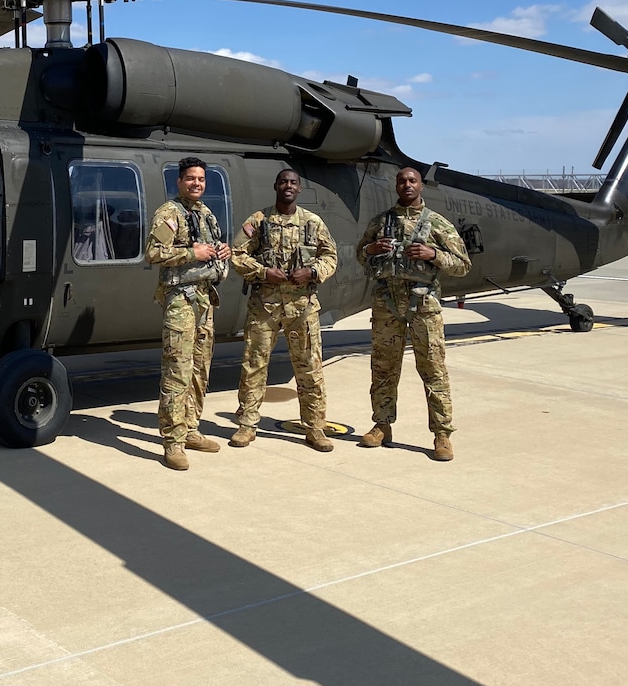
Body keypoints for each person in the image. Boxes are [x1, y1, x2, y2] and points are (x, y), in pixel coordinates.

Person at [357, 166, 471, 461]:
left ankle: (442, 434)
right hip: (387, 305)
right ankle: (382, 425)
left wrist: (433, 255)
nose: (407, 185)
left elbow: (462, 264)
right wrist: (372, 248)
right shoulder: (381, 222)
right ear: (396, 186)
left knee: (433, 370)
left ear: (421, 186)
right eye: (402, 181)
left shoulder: (436, 224)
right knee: (383, 368)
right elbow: (360, 255)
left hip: (423, 307)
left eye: (412, 180)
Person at [229, 168, 339, 452]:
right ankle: (247, 424)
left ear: (299, 189)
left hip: (302, 309)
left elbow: (330, 257)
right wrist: (263, 272)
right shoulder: (258, 221)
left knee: (310, 369)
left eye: (293, 182)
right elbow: (237, 254)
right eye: (283, 182)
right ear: (275, 186)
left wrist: (312, 272)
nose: (288, 186)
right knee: (254, 365)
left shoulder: (313, 222)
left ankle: (314, 427)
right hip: (264, 308)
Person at [145, 156, 231, 471]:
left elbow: (213, 247)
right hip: (181, 300)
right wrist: (190, 252)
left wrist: (223, 251)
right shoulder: (169, 213)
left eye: (201, 179)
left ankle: (191, 427)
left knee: (200, 369)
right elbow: (153, 252)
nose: (197, 183)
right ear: (180, 182)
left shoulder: (205, 214)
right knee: (177, 370)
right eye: (191, 179)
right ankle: (172, 441)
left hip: (205, 300)